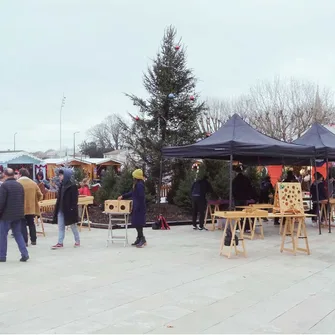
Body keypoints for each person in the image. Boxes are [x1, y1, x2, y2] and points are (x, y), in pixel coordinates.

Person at [0, 168, 29, 262]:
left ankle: (2, 256)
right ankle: (25, 254)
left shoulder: (4, 186)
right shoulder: (19, 185)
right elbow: (22, 199)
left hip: (6, 215)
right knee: (18, 234)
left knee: (2, 235)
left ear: (5, 174)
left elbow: (1, 202)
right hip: (18, 214)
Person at [51, 168, 80, 249]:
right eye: (59, 175)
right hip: (61, 209)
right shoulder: (61, 185)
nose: (59, 177)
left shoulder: (72, 186)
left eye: (61, 175)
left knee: (73, 226)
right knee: (61, 227)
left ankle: (77, 240)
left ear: (66, 175)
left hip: (69, 210)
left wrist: (72, 209)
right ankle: (60, 242)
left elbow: (75, 200)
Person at [118, 169, 146, 248]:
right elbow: (132, 193)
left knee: (138, 223)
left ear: (136, 177)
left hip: (139, 207)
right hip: (136, 206)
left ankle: (142, 239)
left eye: (133, 176)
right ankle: (140, 238)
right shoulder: (137, 184)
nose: (132, 178)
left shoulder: (140, 185)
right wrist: (123, 196)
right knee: (136, 223)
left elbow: (141, 197)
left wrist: (137, 206)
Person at [17, 168, 43, 246]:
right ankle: (33, 240)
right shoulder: (33, 183)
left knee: (22, 224)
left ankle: (25, 241)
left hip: (21, 207)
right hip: (31, 208)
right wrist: (34, 201)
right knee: (31, 223)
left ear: (20, 174)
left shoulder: (17, 183)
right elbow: (40, 195)